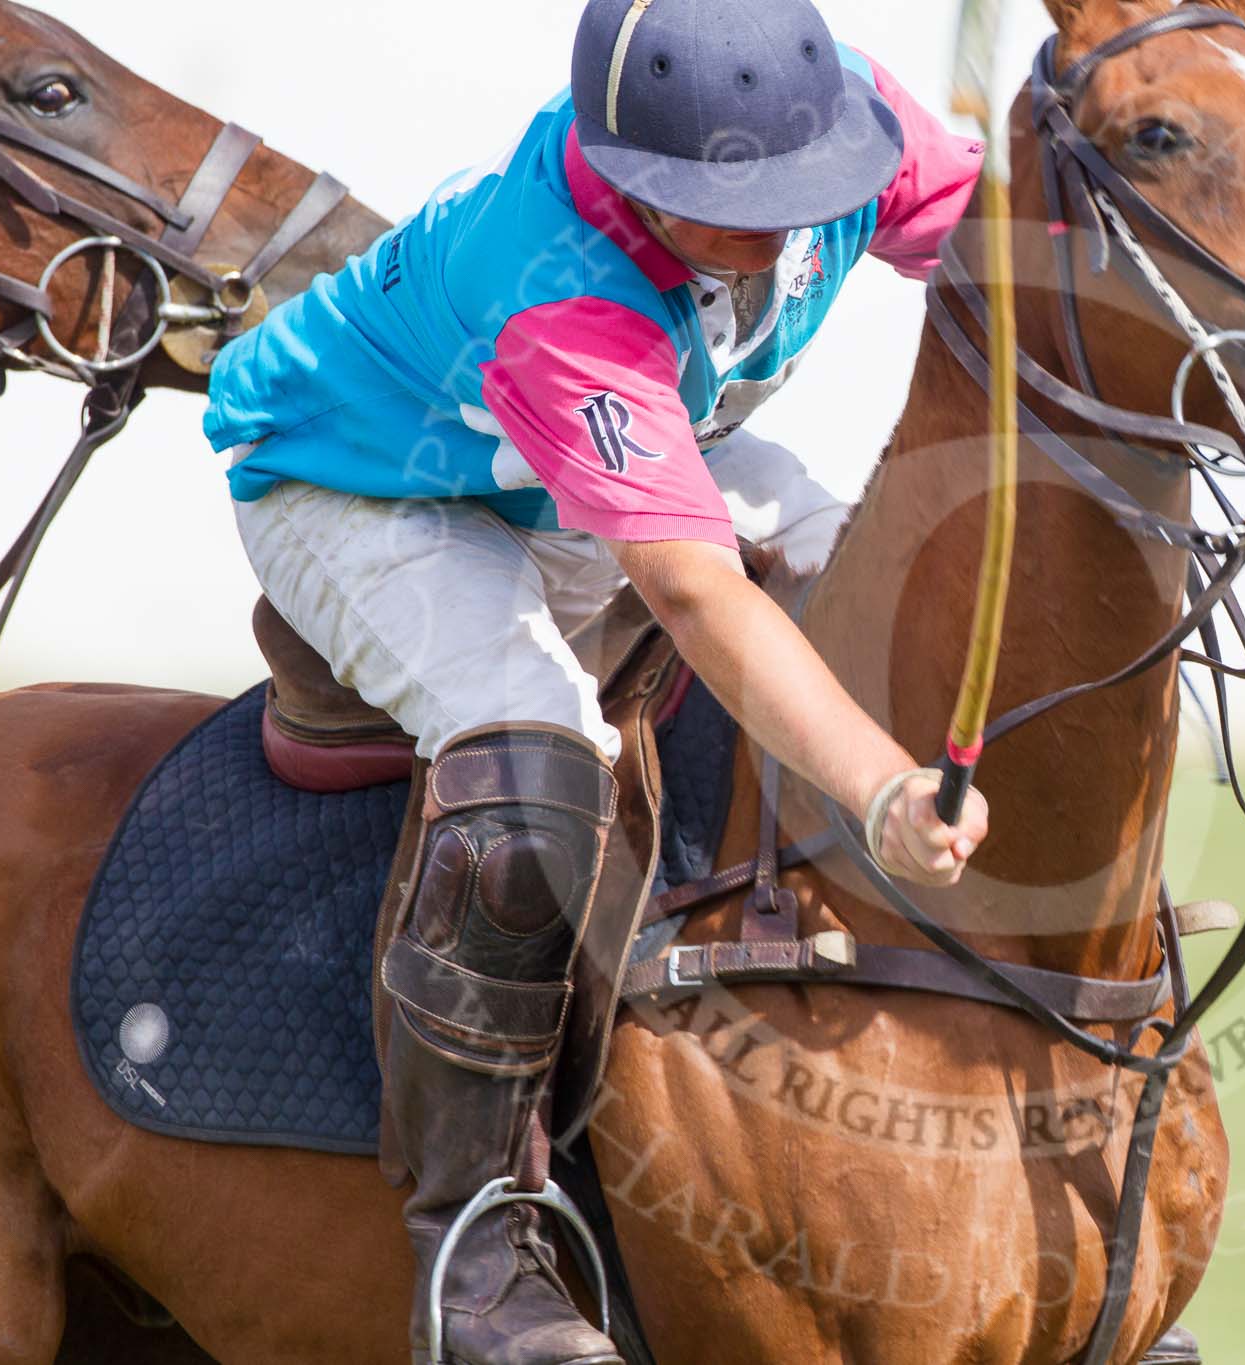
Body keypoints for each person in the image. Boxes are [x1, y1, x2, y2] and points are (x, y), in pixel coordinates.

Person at [203, 0, 988, 1359]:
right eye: (728, 207)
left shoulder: (846, 114)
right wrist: (876, 786)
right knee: (541, 754)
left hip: (619, 449)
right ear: (633, 184)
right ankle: (479, 1249)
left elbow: (1007, 251)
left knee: (882, 597)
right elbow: (694, 591)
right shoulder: (563, 284)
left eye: (801, 192)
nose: (786, 235)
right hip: (377, 488)